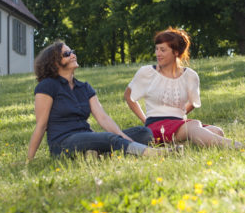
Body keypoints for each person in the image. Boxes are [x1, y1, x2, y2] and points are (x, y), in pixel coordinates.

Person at [26, 41, 163, 162]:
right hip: (63, 143)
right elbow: (41, 125)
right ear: (55, 63)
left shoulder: (84, 87)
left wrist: (121, 136)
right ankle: (150, 153)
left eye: (72, 52)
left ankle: (95, 154)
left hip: (87, 137)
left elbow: (102, 118)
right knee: (110, 138)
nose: (73, 55)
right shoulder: (47, 86)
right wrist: (29, 160)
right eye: (67, 54)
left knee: (143, 132)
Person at [124, 28, 242, 148]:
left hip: (179, 123)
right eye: (157, 49)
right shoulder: (147, 72)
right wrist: (145, 120)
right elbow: (129, 96)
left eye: (163, 50)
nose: (158, 53)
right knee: (194, 125)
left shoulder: (190, 75)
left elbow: (194, 102)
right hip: (156, 125)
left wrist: (179, 113)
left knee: (217, 131)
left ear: (176, 52)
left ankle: (178, 143)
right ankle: (238, 146)